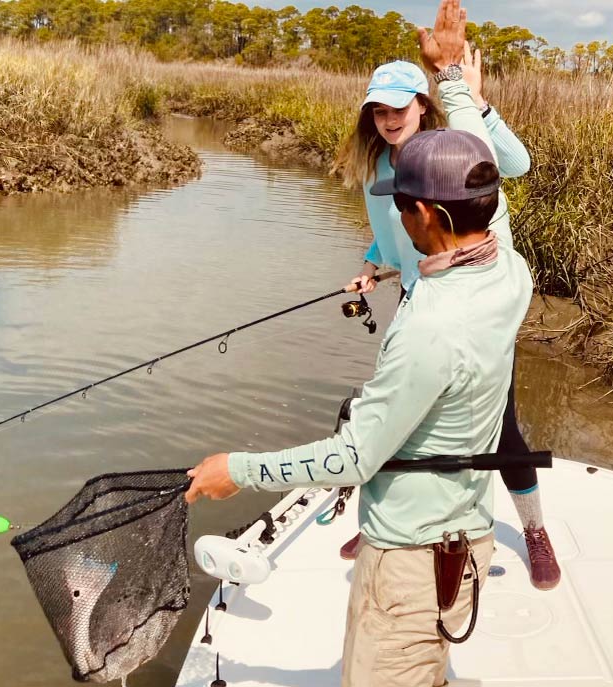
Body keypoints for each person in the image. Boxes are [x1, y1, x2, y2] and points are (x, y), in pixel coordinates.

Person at [186, 3, 534, 683]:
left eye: (399, 201)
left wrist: (240, 469)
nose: (393, 210)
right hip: (465, 537)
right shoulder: (509, 267)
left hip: (407, 563)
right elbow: (480, 151)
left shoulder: (431, 328)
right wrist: (453, 83)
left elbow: (355, 454)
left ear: (425, 216)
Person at [330, 8, 559, 591]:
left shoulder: (454, 145)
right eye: (377, 111)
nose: (386, 121)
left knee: (502, 427)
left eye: (397, 109)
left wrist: (478, 105)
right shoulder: (377, 167)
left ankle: (534, 530)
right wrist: (369, 268)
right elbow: (388, 235)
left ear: (423, 105)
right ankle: (381, 523)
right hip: (415, 302)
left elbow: (518, 165)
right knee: (396, 416)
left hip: (474, 302)